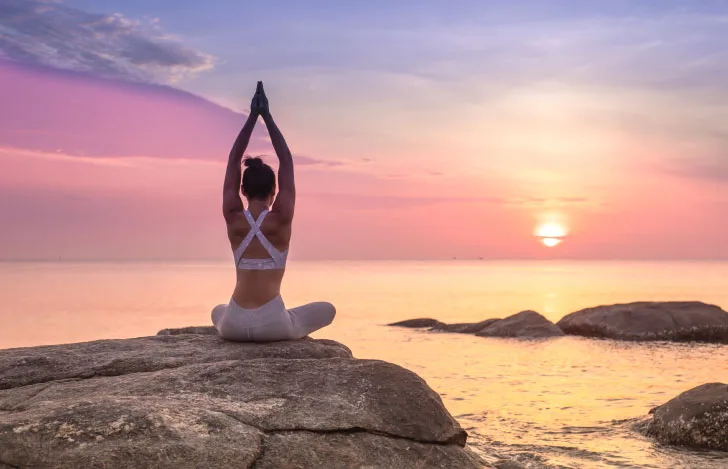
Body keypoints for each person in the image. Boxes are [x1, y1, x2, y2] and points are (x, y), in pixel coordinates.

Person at [211, 82, 336, 342]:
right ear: (274, 190)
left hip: (233, 325)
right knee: (328, 309)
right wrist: (266, 116)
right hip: (273, 326)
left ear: (242, 190)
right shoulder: (281, 219)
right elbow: (286, 160)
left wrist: (251, 117)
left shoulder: (233, 216)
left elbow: (233, 160)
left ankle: (246, 320)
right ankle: (282, 317)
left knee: (217, 311)